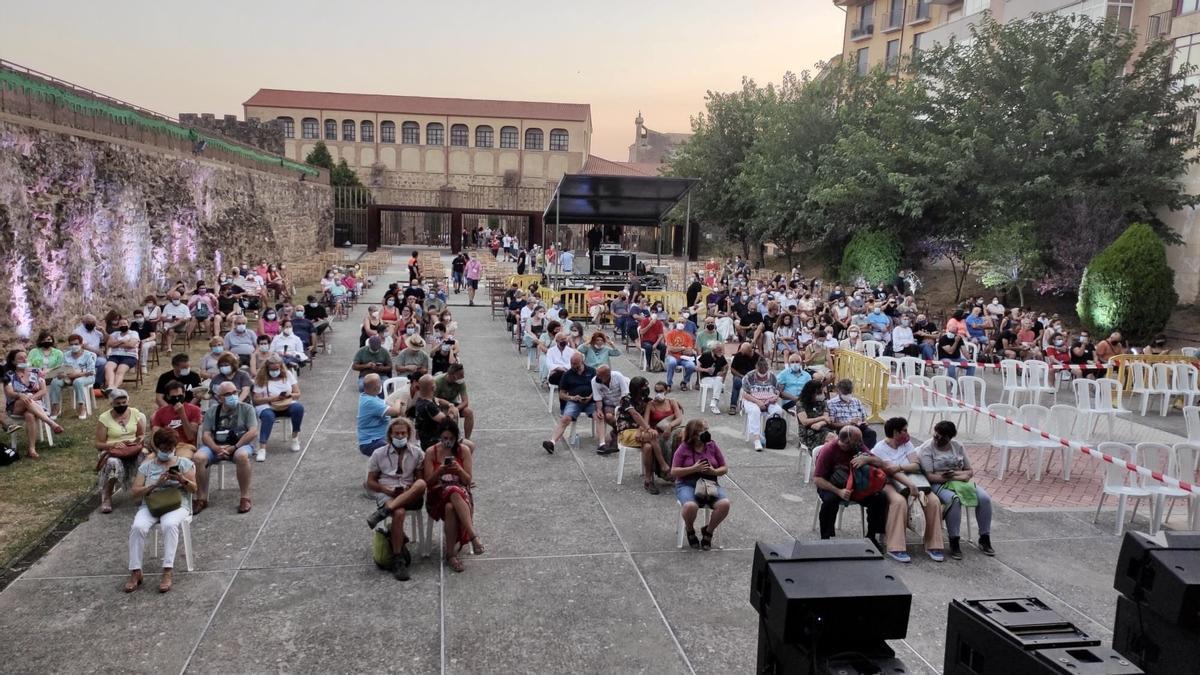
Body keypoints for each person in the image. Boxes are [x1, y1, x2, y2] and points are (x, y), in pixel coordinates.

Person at [123, 428, 196, 594]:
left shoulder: (185, 464)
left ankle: (167, 570)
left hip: (177, 503)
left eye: (170, 449)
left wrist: (182, 480)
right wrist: (156, 483)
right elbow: (135, 491)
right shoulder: (146, 467)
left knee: (169, 524)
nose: (167, 452)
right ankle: (135, 571)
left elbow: (194, 489)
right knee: (138, 527)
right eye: (163, 449)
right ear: (157, 448)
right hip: (152, 503)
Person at [871, 417, 945, 563]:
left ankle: (933, 544)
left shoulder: (907, 444)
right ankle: (896, 547)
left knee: (934, 502)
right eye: (904, 430)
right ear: (895, 432)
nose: (907, 433)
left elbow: (916, 465)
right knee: (899, 502)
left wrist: (900, 467)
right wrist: (910, 484)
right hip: (889, 483)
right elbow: (890, 472)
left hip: (913, 480)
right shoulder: (879, 449)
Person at [918, 420, 995, 559]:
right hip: (939, 484)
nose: (938, 439)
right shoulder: (927, 449)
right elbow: (930, 476)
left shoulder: (958, 446)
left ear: (950, 438)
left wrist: (956, 475)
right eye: (936, 436)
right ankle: (954, 539)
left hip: (959, 481)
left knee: (984, 499)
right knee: (954, 500)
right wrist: (956, 476)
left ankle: (984, 537)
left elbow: (969, 471)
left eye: (942, 437)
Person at [365, 418, 428, 581]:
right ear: (390, 435)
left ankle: (383, 512)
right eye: (396, 433)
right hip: (387, 492)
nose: (400, 436)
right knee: (398, 512)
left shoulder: (417, 453)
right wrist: (385, 489)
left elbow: (420, 480)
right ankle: (398, 558)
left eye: (403, 433)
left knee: (421, 484)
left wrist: (408, 489)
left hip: (409, 493)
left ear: (408, 434)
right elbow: (370, 482)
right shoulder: (379, 454)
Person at [421, 421, 483, 573]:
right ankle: (473, 535)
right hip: (437, 495)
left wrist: (459, 470)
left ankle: (451, 555)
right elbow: (428, 482)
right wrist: (439, 472)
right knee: (453, 490)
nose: (447, 441)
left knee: (451, 505)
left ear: (456, 438)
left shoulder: (463, 451)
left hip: (460, 496)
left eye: (450, 438)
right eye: (444, 438)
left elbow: (467, 481)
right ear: (439, 437)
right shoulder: (431, 452)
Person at [811, 426, 889, 547]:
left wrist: (866, 459)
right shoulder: (829, 450)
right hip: (832, 485)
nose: (860, 443)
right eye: (858, 441)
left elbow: (881, 463)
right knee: (830, 500)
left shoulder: (858, 446)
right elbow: (817, 479)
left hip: (856, 484)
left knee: (879, 496)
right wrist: (838, 491)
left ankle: (871, 536)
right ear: (847, 442)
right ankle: (825, 538)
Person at [194, 381, 256, 515]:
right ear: (220, 397)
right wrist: (216, 448)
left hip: (240, 445)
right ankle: (201, 497)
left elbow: (252, 431)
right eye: (228, 394)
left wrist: (234, 447)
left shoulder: (247, 408)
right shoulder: (212, 411)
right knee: (198, 458)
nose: (232, 396)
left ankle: (245, 497)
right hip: (216, 446)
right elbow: (206, 435)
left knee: (242, 456)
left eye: (235, 392)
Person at [671, 419, 731, 550]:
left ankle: (708, 531)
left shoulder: (712, 446)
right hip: (687, 483)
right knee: (690, 506)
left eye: (707, 430)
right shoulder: (684, 448)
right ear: (694, 435)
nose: (707, 434)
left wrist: (714, 471)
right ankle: (690, 529)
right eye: (703, 431)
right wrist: (693, 469)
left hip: (710, 483)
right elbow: (674, 471)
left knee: (724, 504)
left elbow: (724, 468)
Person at [4, 352, 65, 459]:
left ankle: (31, 449)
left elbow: (43, 390)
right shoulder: (9, 374)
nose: (24, 360)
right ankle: (51, 423)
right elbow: (9, 392)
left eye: (25, 357)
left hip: (35, 403)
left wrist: (31, 398)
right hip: (16, 405)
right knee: (26, 398)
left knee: (29, 415)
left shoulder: (36, 372)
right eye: (20, 358)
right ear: (13, 361)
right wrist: (21, 395)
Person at [615, 377, 670, 494]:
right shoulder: (626, 399)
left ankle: (648, 480)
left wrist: (642, 429)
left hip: (642, 433)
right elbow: (635, 415)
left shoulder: (646, 400)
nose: (647, 389)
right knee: (652, 436)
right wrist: (648, 428)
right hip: (627, 432)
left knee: (648, 447)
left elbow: (647, 417)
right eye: (644, 387)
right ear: (637, 389)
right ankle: (663, 465)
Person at [93, 388, 144, 512]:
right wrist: (114, 444)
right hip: (113, 450)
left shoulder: (135, 413)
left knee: (146, 458)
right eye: (118, 403)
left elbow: (141, 434)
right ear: (111, 403)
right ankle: (107, 497)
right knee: (113, 463)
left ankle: (141, 491)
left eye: (124, 403)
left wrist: (136, 441)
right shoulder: (104, 418)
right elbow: (98, 444)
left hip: (132, 448)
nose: (122, 406)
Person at [541, 354, 596, 454]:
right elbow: (562, 394)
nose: (573, 366)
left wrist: (591, 396)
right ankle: (552, 442)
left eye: (575, 364)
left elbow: (598, 388)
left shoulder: (592, 371)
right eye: (571, 363)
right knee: (565, 418)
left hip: (590, 401)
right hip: (574, 401)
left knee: (600, 416)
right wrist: (572, 397)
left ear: (582, 362)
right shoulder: (567, 374)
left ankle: (603, 443)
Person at [252, 356, 303, 459]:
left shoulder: (288, 375)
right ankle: (262, 448)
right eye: (272, 370)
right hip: (267, 405)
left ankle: (295, 438)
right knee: (268, 416)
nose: (274, 372)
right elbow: (256, 400)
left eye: (277, 369)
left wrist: (290, 395)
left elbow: (297, 394)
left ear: (281, 368)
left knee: (298, 408)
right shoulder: (260, 378)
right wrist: (272, 398)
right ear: (267, 369)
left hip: (286, 403)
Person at [357, 374, 408, 456]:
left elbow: (386, 404)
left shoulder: (370, 396)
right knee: (400, 450)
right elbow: (395, 411)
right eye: (380, 383)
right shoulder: (370, 402)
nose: (381, 385)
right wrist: (398, 400)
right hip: (372, 442)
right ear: (375, 388)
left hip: (379, 437)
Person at [741, 356, 783, 451]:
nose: (763, 371)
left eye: (765, 369)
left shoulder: (772, 376)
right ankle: (756, 438)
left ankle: (767, 432)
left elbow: (777, 390)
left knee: (777, 410)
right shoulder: (749, 376)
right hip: (752, 400)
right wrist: (758, 402)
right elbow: (745, 394)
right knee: (755, 411)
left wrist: (775, 397)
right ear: (757, 367)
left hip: (769, 400)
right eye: (761, 369)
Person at [151, 380, 202, 459]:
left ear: (184, 394)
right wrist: (158, 451)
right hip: (165, 447)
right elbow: (155, 435)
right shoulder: (161, 412)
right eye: (174, 397)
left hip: (185, 446)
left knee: (179, 463)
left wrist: (182, 414)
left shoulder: (194, 410)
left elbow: (191, 436)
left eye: (180, 396)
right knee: (147, 463)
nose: (177, 399)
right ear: (168, 397)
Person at [409, 374, 457, 450]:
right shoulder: (428, 405)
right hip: (433, 441)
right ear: (433, 388)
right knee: (469, 446)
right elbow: (446, 421)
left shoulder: (421, 399)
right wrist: (452, 411)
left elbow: (439, 400)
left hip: (427, 438)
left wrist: (449, 404)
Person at [825, 379, 877, 448]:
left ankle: (864, 452)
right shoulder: (831, 403)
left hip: (859, 427)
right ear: (839, 391)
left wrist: (864, 422)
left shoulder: (856, 401)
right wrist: (849, 423)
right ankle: (857, 451)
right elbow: (831, 425)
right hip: (844, 429)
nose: (847, 395)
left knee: (871, 433)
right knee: (851, 436)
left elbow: (864, 418)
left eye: (849, 393)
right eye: (845, 393)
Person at [56, 334, 97, 419]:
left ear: (81, 344)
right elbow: (62, 368)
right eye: (71, 344)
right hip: (68, 377)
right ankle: (55, 407)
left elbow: (91, 371)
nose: (74, 346)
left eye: (76, 344)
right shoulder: (66, 355)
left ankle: (82, 407)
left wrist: (77, 374)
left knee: (78, 382)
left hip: (87, 377)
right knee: (55, 382)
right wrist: (62, 374)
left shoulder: (88, 355)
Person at [591, 365, 629, 453]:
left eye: (600, 375)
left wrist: (621, 408)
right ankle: (617, 431)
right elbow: (598, 399)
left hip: (621, 402)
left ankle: (616, 434)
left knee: (621, 417)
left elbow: (625, 394)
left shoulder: (618, 376)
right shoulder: (594, 381)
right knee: (608, 416)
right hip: (609, 404)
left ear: (607, 375)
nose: (597, 377)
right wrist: (599, 410)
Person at [434, 364, 473, 439]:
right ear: (451, 375)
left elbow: (465, 401)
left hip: (453, 404)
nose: (463, 377)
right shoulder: (438, 381)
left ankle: (467, 438)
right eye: (460, 375)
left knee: (469, 412)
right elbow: (433, 398)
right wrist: (448, 407)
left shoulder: (460, 382)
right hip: (440, 404)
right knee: (448, 417)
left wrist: (456, 409)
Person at [102, 317, 140, 393]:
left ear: (128, 325)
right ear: (118, 326)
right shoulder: (114, 334)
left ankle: (114, 388)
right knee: (108, 367)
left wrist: (116, 343)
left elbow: (131, 345)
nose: (123, 325)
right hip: (114, 356)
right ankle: (110, 386)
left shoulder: (134, 333)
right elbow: (110, 344)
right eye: (121, 324)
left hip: (129, 356)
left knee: (120, 370)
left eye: (124, 324)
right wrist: (122, 341)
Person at [796, 380, 833, 452]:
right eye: (818, 392)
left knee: (835, 439)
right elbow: (805, 422)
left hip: (822, 429)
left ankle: (824, 459)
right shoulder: (801, 404)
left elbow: (827, 418)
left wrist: (819, 424)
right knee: (831, 439)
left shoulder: (822, 403)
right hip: (808, 432)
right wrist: (821, 418)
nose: (821, 394)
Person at [73, 313, 108, 389]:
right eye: (89, 323)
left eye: (93, 323)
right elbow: (83, 346)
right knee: (100, 361)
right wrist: (97, 352)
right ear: (83, 322)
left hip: (96, 356)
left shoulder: (96, 331)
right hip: (83, 356)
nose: (92, 325)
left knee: (103, 362)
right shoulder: (77, 332)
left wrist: (103, 331)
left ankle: (97, 384)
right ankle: (86, 382)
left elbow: (106, 340)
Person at [663, 319, 698, 391]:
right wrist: (683, 348)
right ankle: (669, 383)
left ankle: (684, 382)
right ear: (676, 323)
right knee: (672, 363)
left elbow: (689, 351)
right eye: (679, 322)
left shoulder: (688, 336)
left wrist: (677, 349)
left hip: (684, 358)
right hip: (672, 356)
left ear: (685, 325)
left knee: (691, 365)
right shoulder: (670, 334)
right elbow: (670, 349)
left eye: (683, 322)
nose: (681, 323)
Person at [697, 344, 729, 416]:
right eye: (719, 350)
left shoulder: (721, 357)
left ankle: (713, 403)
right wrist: (706, 370)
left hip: (716, 378)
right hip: (705, 378)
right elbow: (697, 368)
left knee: (719, 379)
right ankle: (714, 404)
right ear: (713, 351)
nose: (721, 352)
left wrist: (723, 372)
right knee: (718, 382)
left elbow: (726, 366)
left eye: (721, 350)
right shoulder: (705, 355)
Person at [727, 342, 758, 416]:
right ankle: (733, 406)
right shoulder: (738, 355)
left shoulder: (757, 357)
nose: (741, 353)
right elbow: (732, 369)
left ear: (749, 351)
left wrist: (751, 376)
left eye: (743, 351)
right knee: (737, 382)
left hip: (752, 377)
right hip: (740, 376)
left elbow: (760, 370)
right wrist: (740, 375)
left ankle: (753, 404)